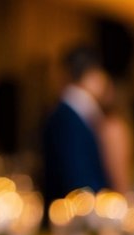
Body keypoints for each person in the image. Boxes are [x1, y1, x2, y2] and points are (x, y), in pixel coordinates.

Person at [42, 45, 111, 201]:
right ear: (92, 75)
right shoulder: (68, 117)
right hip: (78, 213)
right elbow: (77, 177)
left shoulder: (73, 112)